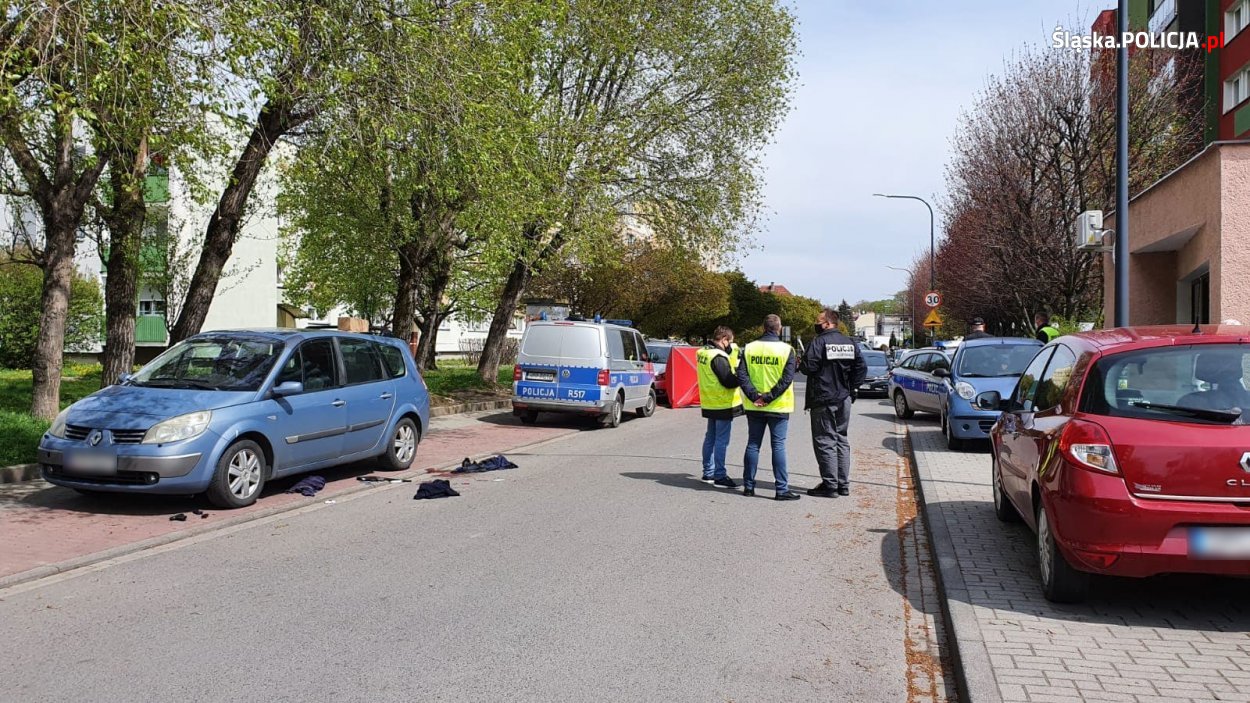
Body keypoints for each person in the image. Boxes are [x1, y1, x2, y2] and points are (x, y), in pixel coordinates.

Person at [800, 308, 867, 498]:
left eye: (818, 321)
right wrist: (851, 388)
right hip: (843, 398)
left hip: (823, 398)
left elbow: (807, 367)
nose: (816, 324)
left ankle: (830, 485)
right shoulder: (849, 342)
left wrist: (805, 358)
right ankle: (843, 484)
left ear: (828, 323)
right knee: (841, 439)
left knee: (825, 440)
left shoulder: (819, 342)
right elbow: (861, 367)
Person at [737, 314, 801, 501]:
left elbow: (742, 375)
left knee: (753, 445)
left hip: (754, 406)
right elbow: (787, 379)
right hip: (778, 406)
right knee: (778, 446)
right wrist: (769, 397)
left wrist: (754, 396)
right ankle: (781, 490)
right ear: (779, 328)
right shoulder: (787, 350)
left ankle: (748, 486)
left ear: (763, 327)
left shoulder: (749, 348)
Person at [696, 326, 743, 488]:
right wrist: (741, 376)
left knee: (710, 437)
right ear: (723, 339)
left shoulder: (704, 352)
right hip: (722, 403)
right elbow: (728, 381)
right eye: (729, 341)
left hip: (709, 402)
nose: (730, 344)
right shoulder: (718, 356)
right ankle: (720, 475)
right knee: (721, 441)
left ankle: (708, 472)